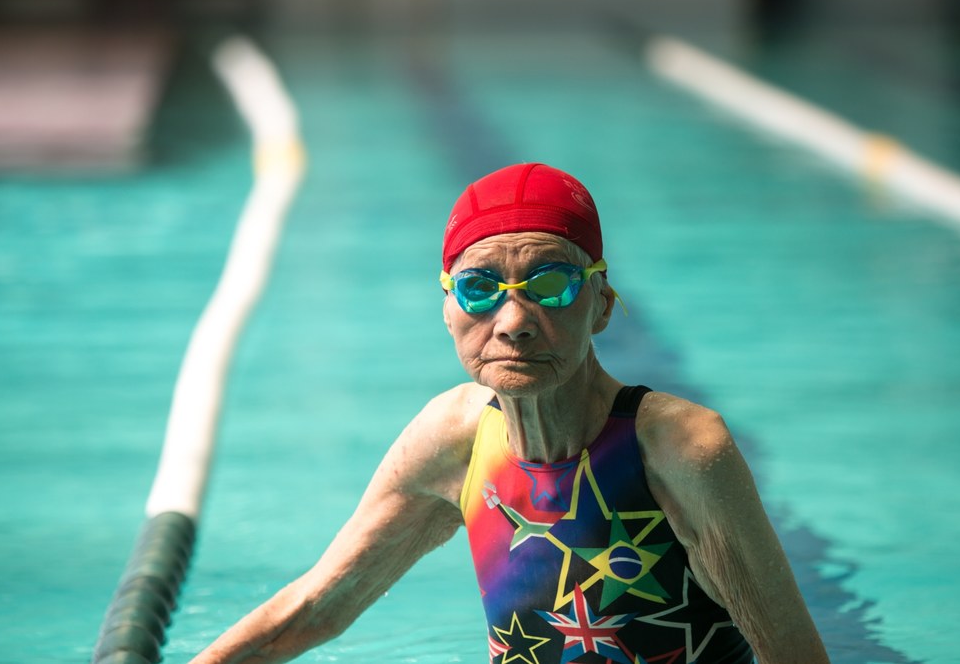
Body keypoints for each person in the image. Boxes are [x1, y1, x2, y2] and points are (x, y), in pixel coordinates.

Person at [190, 163, 830, 664]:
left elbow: (792, 655)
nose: (515, 322)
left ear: (602, 306)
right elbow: (315, 610)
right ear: (447, 310)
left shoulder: (676, 446)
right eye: (480, 288)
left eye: (552, 285)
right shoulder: (457, 438)